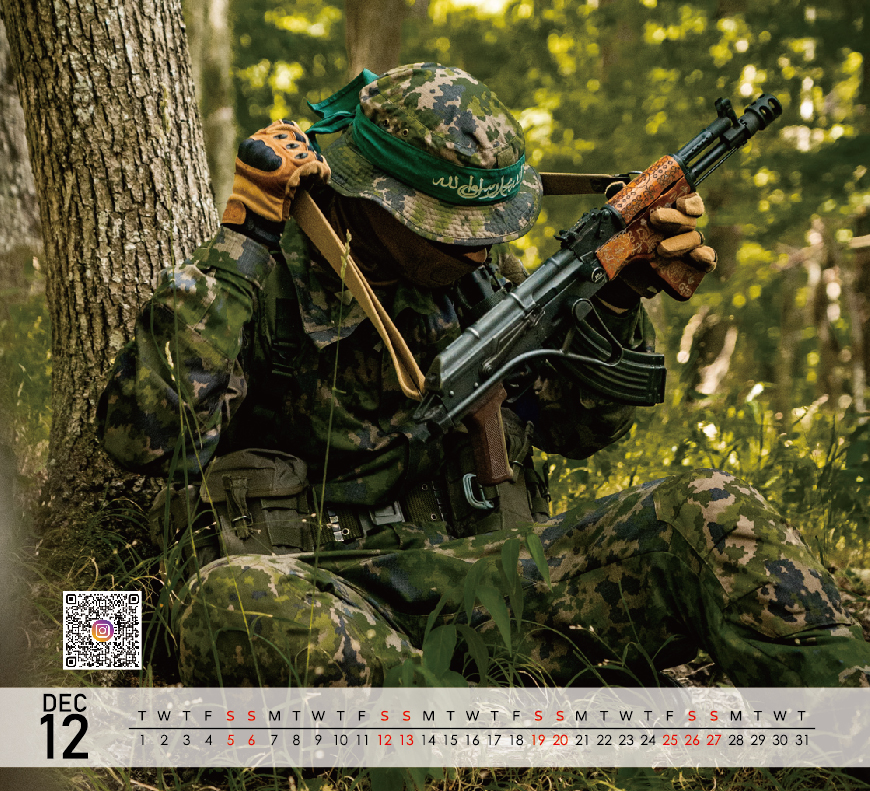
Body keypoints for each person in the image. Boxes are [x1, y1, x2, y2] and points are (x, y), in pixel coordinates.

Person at [98, 62, 870, 690]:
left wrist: (617, 300)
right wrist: (240, 243)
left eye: (488, 230)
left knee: (715, 508)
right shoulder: (260, 278)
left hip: (495, 583)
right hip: (331, 595)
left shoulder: (480, 276)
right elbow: (144, 441)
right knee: (234, 602)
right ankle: (483, 733)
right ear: (375, 200)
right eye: (454, 229)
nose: (480, 247)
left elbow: (578, 430)